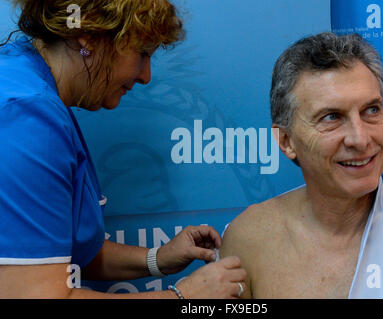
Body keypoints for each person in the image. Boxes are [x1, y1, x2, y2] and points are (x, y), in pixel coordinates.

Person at [0, 0, 246, 299]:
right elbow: (34, 295)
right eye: (142, 54)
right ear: (89, 37)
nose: (146, 76)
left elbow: (50, 252)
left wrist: (159, 257)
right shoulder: (26, 117)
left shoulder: (28, 83)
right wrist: (184, 298)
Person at [219, 32, 383, 298]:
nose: (360, 139)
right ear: (286, 141)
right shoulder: (247, 239)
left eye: (371, 110)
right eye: (331, 117)